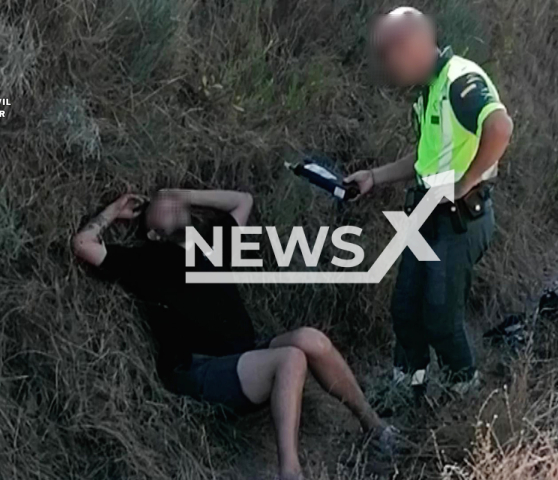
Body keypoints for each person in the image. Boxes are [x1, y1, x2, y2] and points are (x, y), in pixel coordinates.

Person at [72, 189, 395, 480]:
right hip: (198, 369)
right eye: (158, 206)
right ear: (153, 234)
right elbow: (84, 244)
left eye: (172, 203)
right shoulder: (147, 260)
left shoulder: (214, 244)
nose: (167, 203)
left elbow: (243, 200)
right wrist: (114, 210)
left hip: (244, 356)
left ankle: (375, 427)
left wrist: (179, 193)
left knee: (310, 338)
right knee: (291, 358)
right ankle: (290, 472)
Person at [346, 7, 513, 395]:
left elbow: (500, 127)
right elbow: (425, 161)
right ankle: (409, 391)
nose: (386, 65)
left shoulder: (459, 79)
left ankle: (462, 394)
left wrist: (466, 182)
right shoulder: (428, 94)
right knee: (406, 310)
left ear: (413, 47)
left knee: (439, 315)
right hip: (425, 214)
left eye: (389, 54)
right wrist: (374, 177)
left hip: (460, 217)